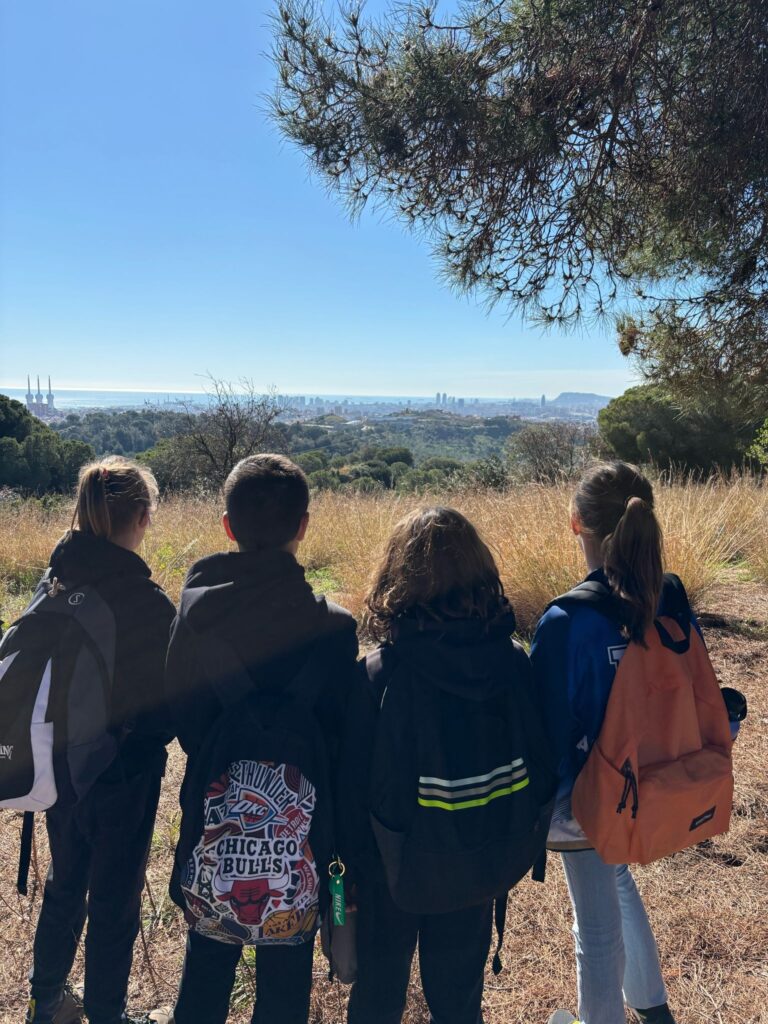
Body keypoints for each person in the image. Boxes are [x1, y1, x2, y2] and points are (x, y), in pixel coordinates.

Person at [165, 453, 358, 1024]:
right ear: (304, 526)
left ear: (228, 527)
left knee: (204, 971)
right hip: (303, 836)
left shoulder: (195, 616)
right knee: (286, 985)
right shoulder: (336, 630)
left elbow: (182, 716)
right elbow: (339, 735)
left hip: (214, 818)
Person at [340, 506, 546, 1024]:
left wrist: (346, 872)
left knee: (377, 997)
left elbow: (351, 792)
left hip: (391, 870)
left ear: (396, 579)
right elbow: (542, 761)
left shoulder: (378, 676)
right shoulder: (513, 663)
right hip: (480, 862)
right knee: (458, 1001)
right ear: (481, 572)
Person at [531, 461, 689, 1024]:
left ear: (576, 522)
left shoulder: (564, 619)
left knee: (594, 927)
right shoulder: (669, 594)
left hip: (591, 794)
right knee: (616, 877)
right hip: (658, 774)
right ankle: (651, 1006)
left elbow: (546, 729)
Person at [26, 458, 175, 1024]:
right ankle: (108, 1014)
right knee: (114, 902)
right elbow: (166, 708)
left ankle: (45, 1002)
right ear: (141, 517)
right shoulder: (147, 602)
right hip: (124, 775)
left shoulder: (54, 580)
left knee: (65, 883)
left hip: (55, 767)